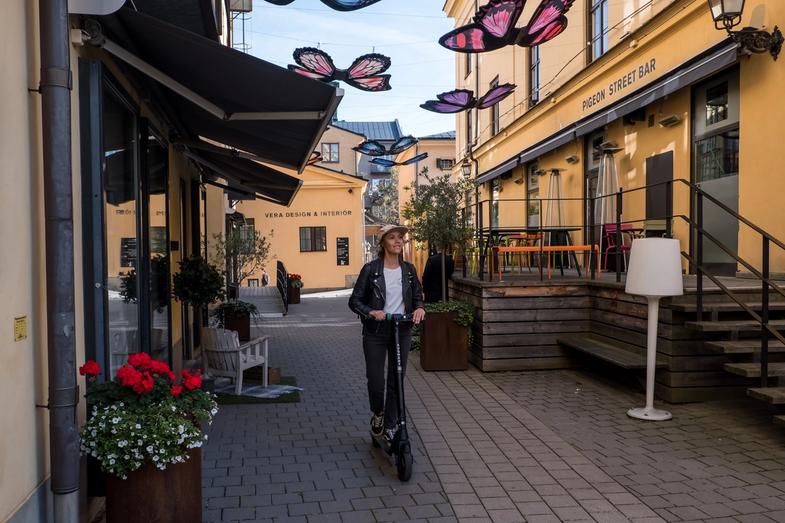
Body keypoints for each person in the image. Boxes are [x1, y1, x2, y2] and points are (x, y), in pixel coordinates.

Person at [349, 224, 425, 441]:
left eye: (400, 237)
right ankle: (379, 414)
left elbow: (418, 296)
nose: (398, 241)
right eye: (392, 238)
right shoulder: (371, 269)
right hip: (375, 332)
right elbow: (354, 301)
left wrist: (419, 308)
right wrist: (371, 311)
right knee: (375, 381)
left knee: (396, 379)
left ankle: (391, 425)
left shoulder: (409, 270)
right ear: (382, 243)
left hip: (401, 330)